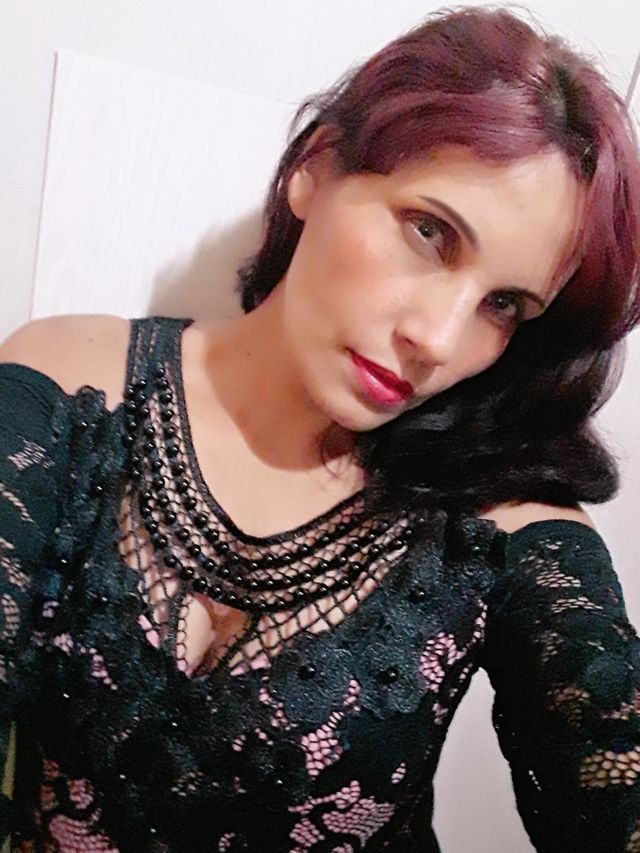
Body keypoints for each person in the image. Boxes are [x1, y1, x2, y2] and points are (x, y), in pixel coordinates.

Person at [1, 5, 639, 851]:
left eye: (503, 304)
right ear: (314, 167)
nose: (438, 339)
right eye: (431, 232)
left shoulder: (497, 528)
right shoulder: (74, 386)